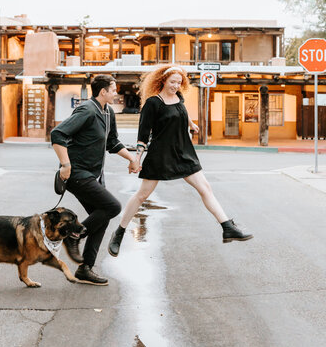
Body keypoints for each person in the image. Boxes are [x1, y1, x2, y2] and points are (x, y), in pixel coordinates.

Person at [108, 65, 253, 257]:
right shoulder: (152, 104)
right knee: (142, 196)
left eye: (179, 82)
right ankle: (119, 232)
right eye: (172, 82)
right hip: (160, 155)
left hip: (184, 152)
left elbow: (181, 112)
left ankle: (227, 227)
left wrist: (191, 124)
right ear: (162, 81)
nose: (176, 85)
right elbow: (143, 136)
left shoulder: (178, 98)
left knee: (205, 188)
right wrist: (136, 159)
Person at [51, 74, 139, 285]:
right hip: (78, 174)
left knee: (102, 217)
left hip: (94, 175)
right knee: (113, 207)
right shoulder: (87, 110)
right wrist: (65, 164)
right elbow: (58, 134)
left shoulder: (108, 112)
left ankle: (85, 269)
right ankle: (73, 235)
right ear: (103, 91)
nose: (116, 93)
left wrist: (132, 159)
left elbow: (112, 142)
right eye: (113, 89)